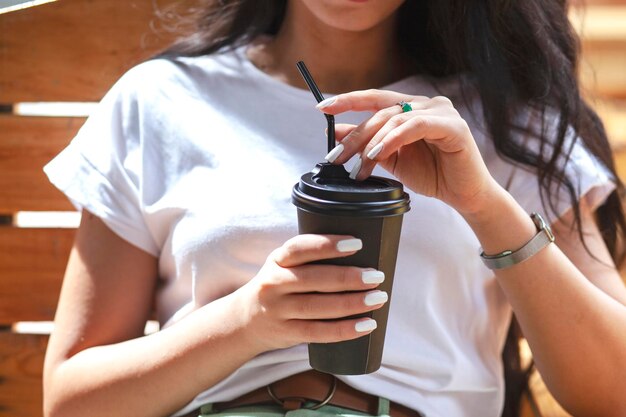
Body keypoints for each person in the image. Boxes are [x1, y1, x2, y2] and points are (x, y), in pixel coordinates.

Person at [42, 1, 626, 417]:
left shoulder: (505, 122)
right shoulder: (160, 101)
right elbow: (71, 401)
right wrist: (244, 324)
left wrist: (484, 206)